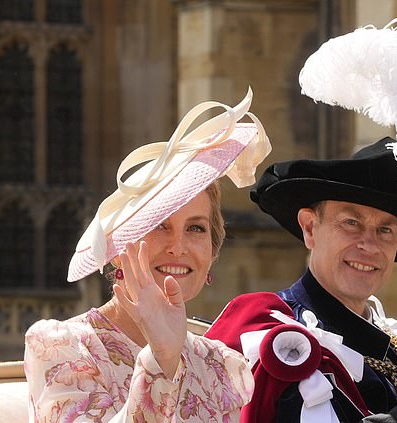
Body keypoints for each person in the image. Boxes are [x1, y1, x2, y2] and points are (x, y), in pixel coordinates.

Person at [204, 18, 397, 423]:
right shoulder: (266, 329)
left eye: (385, 230)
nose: (368, 245)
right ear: (310, 228)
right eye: (351, 223)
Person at [24, 88, 271, 422]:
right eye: (159, 226)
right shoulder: (63, 346)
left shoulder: (223, 365)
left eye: (196, 229)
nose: (178, 246)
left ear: (213, 252)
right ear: (117, 250)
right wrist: (162, 359)